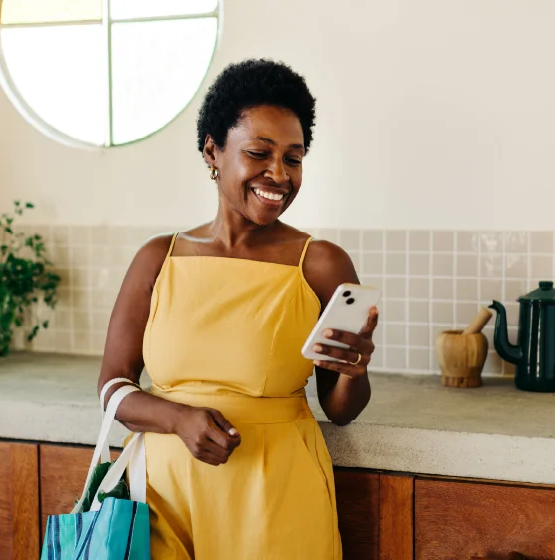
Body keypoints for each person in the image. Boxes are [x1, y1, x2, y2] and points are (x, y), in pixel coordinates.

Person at [98, 58, 378, 559]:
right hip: (162, 498)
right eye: (259, 153)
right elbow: (113, 389)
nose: (279, 174)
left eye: (293, 158)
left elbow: (340, 410)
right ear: (213, 151)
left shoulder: (320, 264)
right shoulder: (157, 259)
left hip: (275, 500)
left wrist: (353, 371)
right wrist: (177, 418)